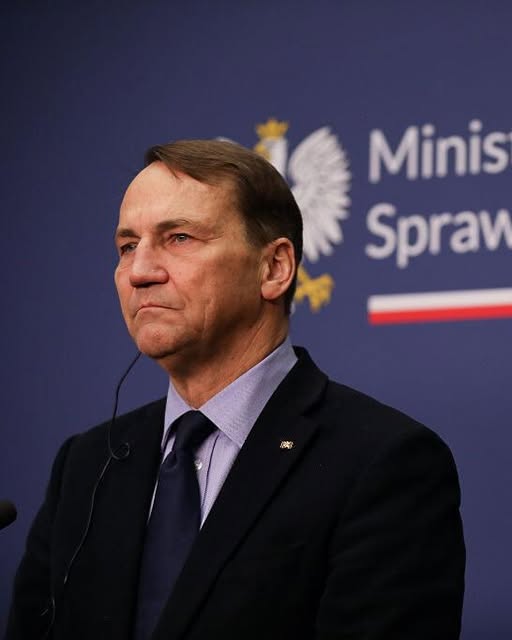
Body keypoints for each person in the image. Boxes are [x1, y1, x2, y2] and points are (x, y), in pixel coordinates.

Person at [6, 140, 465, 640]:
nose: (139, 272)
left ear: (274, 268)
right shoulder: (86, 464)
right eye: (128, 247)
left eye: (179, 238)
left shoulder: (383, 463)